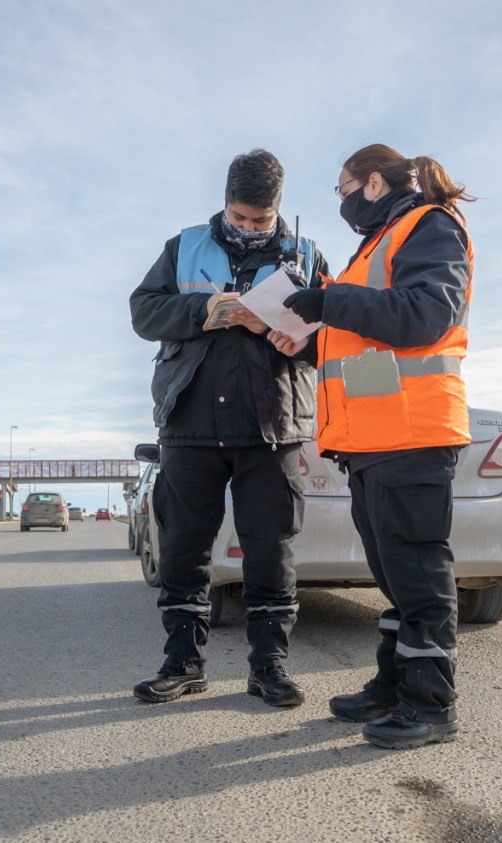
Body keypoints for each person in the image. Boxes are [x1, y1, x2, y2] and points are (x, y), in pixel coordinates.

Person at [271, 143, 475, 749]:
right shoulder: (379, 240)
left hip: (412, 434)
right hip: (373, 439)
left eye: (343, 191)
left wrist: (328, 300)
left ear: (376, 182)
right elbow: (372, 340)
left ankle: (431, 706)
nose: (342, 204)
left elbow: (424, 317)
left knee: (417, 568)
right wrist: (308, 343)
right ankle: (394, 685)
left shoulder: (431, 225)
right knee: (395, 572)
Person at [129, 149, 329, 707]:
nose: (247, 228)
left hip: (273, 427)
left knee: (271, 548)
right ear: (224, 203)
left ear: (278, 211)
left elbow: (330, 336)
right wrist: (202, 309)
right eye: (238, 217)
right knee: (184, 548)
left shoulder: (308, 256)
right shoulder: (184, 245)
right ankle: (183, 664)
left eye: (259, 221)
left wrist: (298, 335)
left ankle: (270, 668)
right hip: (191, 422)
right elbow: (143, 312)